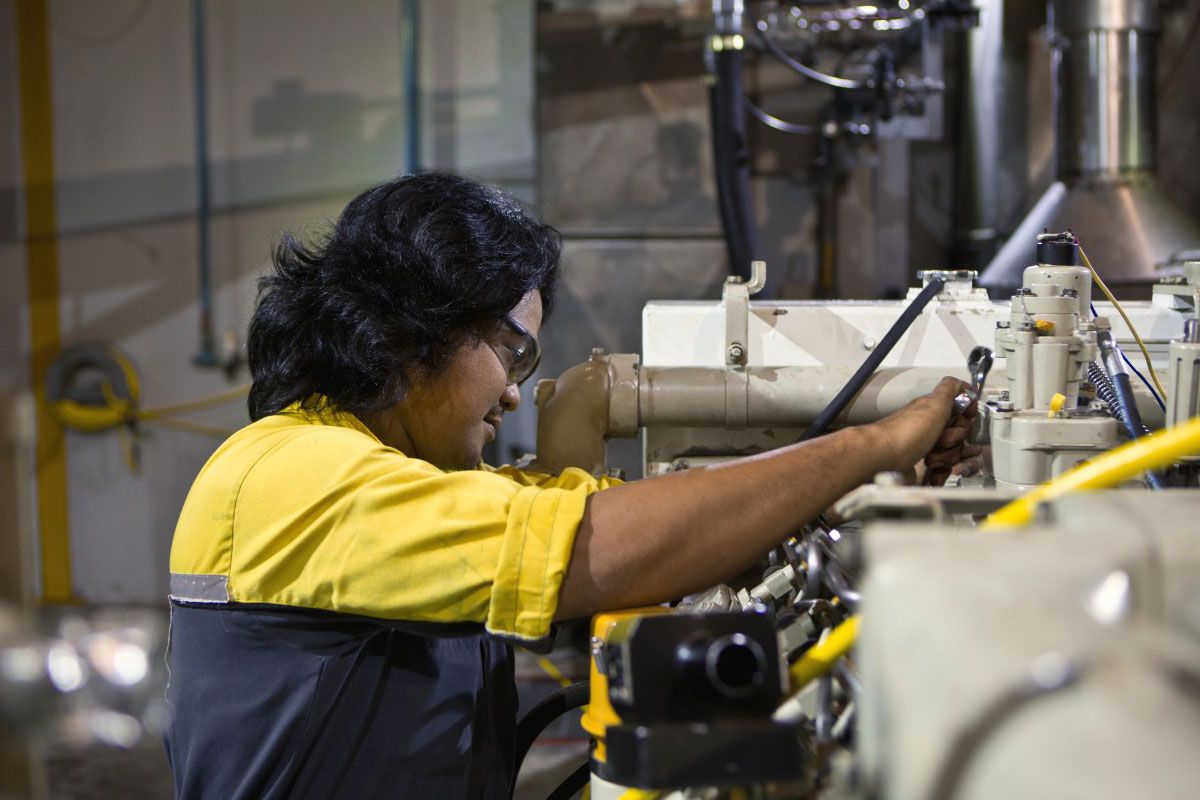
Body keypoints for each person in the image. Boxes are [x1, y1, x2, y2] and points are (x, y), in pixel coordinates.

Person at [164, 172, 973, 799]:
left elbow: (606, 516)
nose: (515, 393)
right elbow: (594, 541)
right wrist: (865, 446)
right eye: (511, 352)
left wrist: (848, 485)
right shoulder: (289, 474)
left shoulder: (389, 480)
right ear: (416, 328)